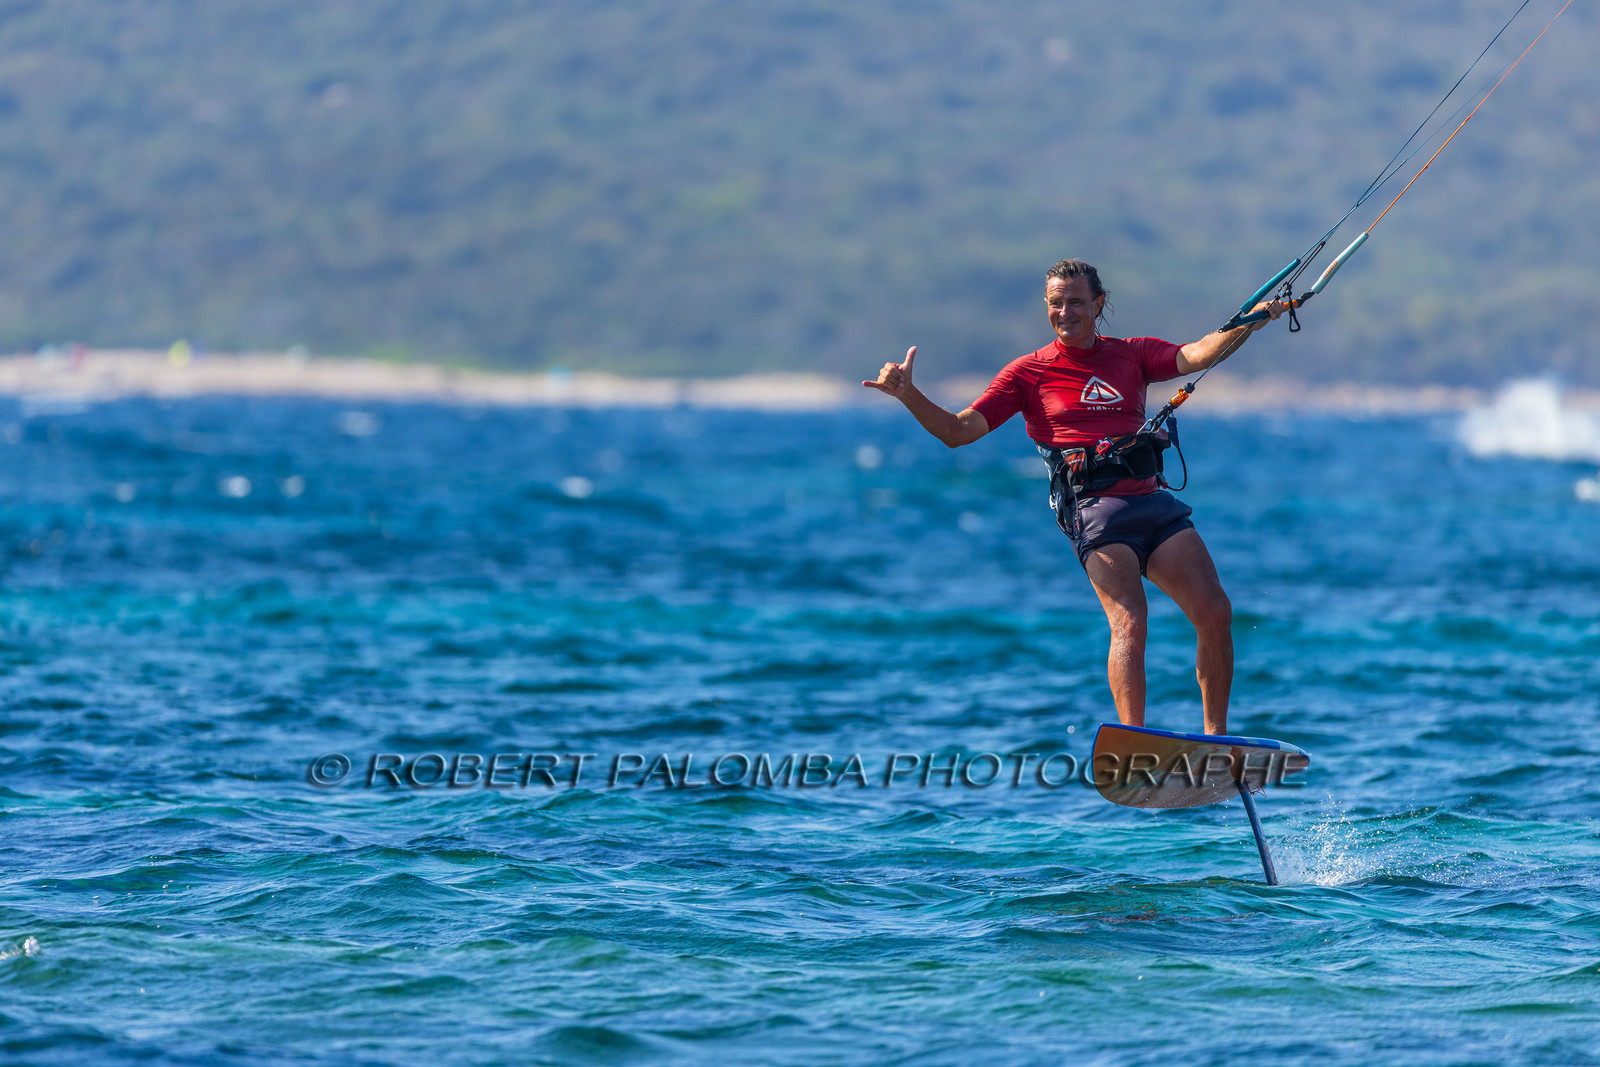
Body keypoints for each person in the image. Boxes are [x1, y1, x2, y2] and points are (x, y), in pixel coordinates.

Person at [863, 258, 1284, 736]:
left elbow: (1199, 354)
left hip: (1153, 506)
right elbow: (959, 432)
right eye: (1056, 304)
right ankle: (1136, 739)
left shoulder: (1133, 354)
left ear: (1098, 304)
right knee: (1131, 619)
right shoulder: (1028, 373)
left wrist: (1253, 319)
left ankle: (1216, 740)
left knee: (1215, 611)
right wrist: (909, 395)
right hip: (1095, 515)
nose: (1066, 312)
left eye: (1077, 302)